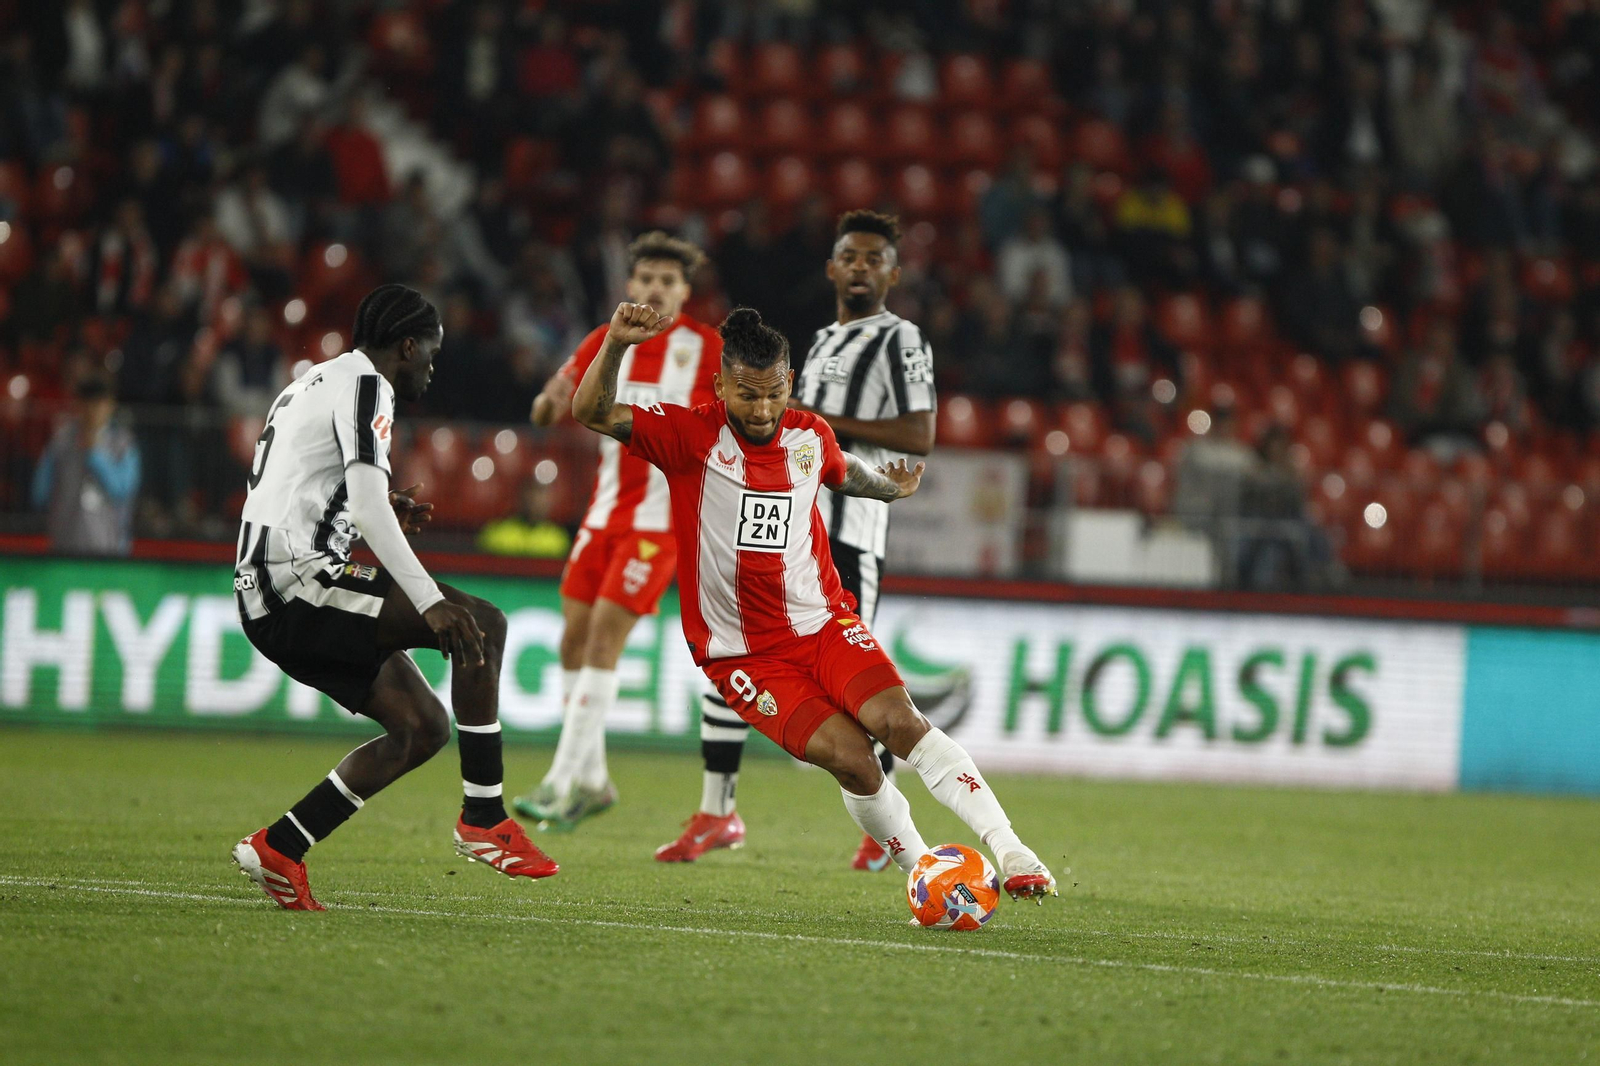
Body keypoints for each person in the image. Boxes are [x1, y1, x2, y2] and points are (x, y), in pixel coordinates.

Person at [574, 302, 1057, 904]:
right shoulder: (688, 435)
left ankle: (1012, 850)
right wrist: (617, 344)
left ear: (790, 384)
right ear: (720, 385)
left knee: (899, 723)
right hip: (742, 655)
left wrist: (889, 487)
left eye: (774, 393)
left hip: (825, 624)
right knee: (853, 760)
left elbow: (842, 469)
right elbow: (591, 411)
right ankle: (923, 870)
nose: (762, 409)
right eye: (747, 395)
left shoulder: (810, 435)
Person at [230, 284, 558, 911]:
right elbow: (365, 505)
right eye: (429, 354)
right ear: (406, 346)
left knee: (422, 726)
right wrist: (428, 598)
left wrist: (361, 514)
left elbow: (300, 487)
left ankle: (281, 846)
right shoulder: (366, 386)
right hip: (293, 582)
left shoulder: (312, 381)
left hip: (274, 580)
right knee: (480, 625)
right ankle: (485, 817)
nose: (432, 368)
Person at [660, 210, 941, 870]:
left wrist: (809, 419)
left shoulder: (902, 342)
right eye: (851, 255)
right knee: (735, 654)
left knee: (858, 692)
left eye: (875, 258)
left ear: (893, 273)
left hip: (851, 532)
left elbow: (920, 436)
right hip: (784, 527)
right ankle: (717, 810)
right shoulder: (817, 341)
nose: (861, 267)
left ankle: (885, 825)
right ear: (832, 266)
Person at [511, 233, 723, 831]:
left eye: (669, 281)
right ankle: (596, 780)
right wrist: (549, 398)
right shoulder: (606, 341)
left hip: (661, 524)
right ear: (631, 286)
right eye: (648, 279)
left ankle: (558, 782)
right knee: (572, 644)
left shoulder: (707, 350)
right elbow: (551, 405)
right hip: (604, 515)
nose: (656, 289)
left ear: (685, 291)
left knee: (604, 638)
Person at [31, 374, 141, 556]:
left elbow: (122, 490)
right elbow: (40, 493)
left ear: (110, 406)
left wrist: (95, 453)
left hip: (110, 551)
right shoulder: (61, 443)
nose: (92, 411)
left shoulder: (123, 445)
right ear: (78, 405)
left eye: (98, 404)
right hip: (65, 548)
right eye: (87, 403)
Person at [477, 478, 572, 559]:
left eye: (541, 497)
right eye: (531, 497)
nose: (536, 503)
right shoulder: (497, 536)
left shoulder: (557, 539)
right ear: (520, 499)